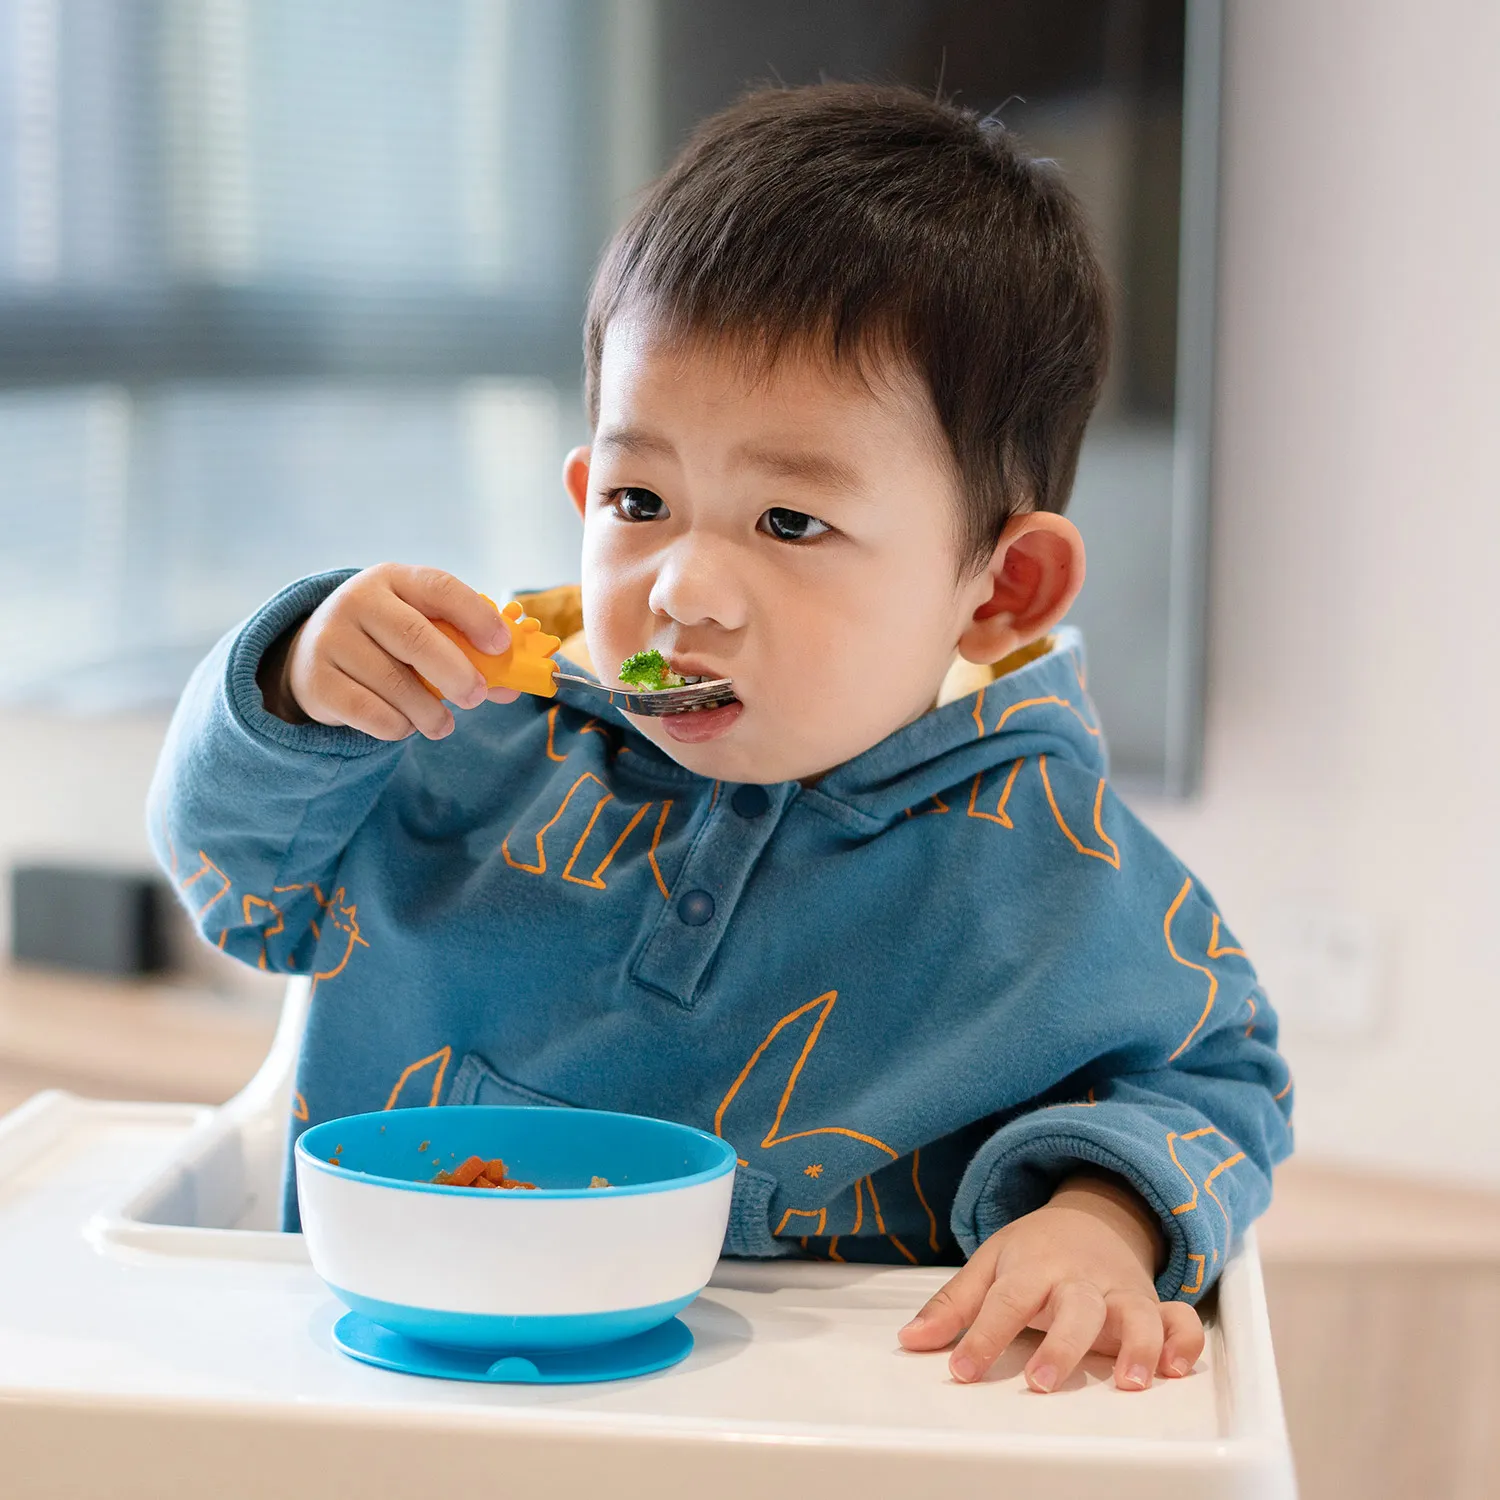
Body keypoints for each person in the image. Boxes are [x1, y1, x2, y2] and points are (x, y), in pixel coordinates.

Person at [149, 82, 1292, 1395]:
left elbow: (1216, 1077)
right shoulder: (465, 741)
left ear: (999, 588)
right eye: (642, 499)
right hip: (392, 1400)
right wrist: (295, 686)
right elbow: (241, 887)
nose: (682, 589)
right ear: (583, 493)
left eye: (790, 523)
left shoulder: (1055, 865)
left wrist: (1097, 1218)